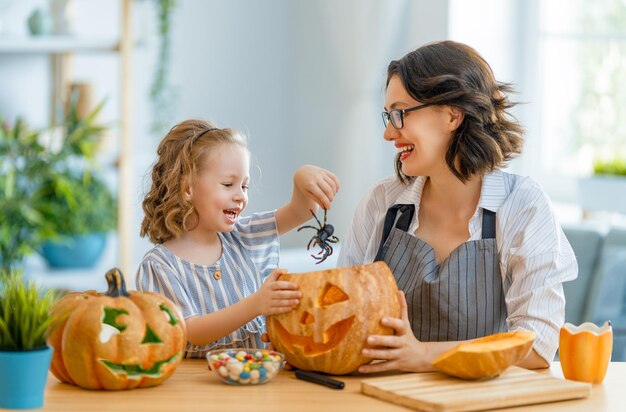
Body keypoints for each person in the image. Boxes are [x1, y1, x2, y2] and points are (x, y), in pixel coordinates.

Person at [337, 40, 577, 373]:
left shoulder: (522, 205)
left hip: (483, 403)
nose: (389, 133)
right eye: (388, 116)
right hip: (382, 398)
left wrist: (423, 354)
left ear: (452, 114)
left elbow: (537, 345)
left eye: (399, 113)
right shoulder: (382, 203)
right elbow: (343, 317)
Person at [137, 119, 339, 359]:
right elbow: (191, 331)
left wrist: (302, 177)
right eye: (228, 184)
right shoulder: (160, 265)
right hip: (193, 391)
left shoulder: (242, 236)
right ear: (188, 188)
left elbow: (300, 211)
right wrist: (257, 304)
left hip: (255, 384)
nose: (241, 196)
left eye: (245, 186)